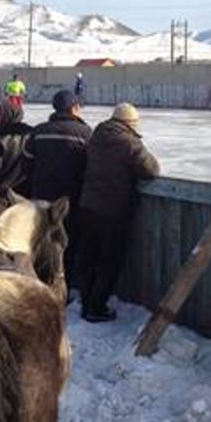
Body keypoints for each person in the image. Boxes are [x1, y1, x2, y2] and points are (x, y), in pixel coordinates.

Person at [77, 103, 159, 322]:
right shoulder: (129, 143)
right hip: (112, 211)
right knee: (109, 261)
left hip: (87, 206)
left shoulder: (96, 136)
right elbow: (151, 169)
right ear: (130, 124)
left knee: (88, 258)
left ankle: (86, 302)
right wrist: (138, 144)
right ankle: (95, 308)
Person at [23, 89, 92, 287]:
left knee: (39, 241)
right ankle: (63, 286)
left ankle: (37, 282)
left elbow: (26, 163)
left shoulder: (38, 131)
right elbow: (91, 166)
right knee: (66, 243)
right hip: (70, 200)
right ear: (74, 108)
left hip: (41, 198)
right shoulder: (85, 133)